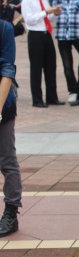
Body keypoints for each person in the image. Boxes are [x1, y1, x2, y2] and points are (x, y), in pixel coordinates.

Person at [21, 0, 65, 108]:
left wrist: (54, 13)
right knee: (36, 67)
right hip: (35, 35)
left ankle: (52, 97)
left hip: (46, 34)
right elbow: (29, 19)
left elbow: (47, 18)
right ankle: (37, 99)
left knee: (51, 66)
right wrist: (45, 12)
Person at [0, 19, 22, 237]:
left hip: (2, 103)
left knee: (6, 159)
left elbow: (7, 70)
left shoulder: (3, 29)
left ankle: (11, 211)